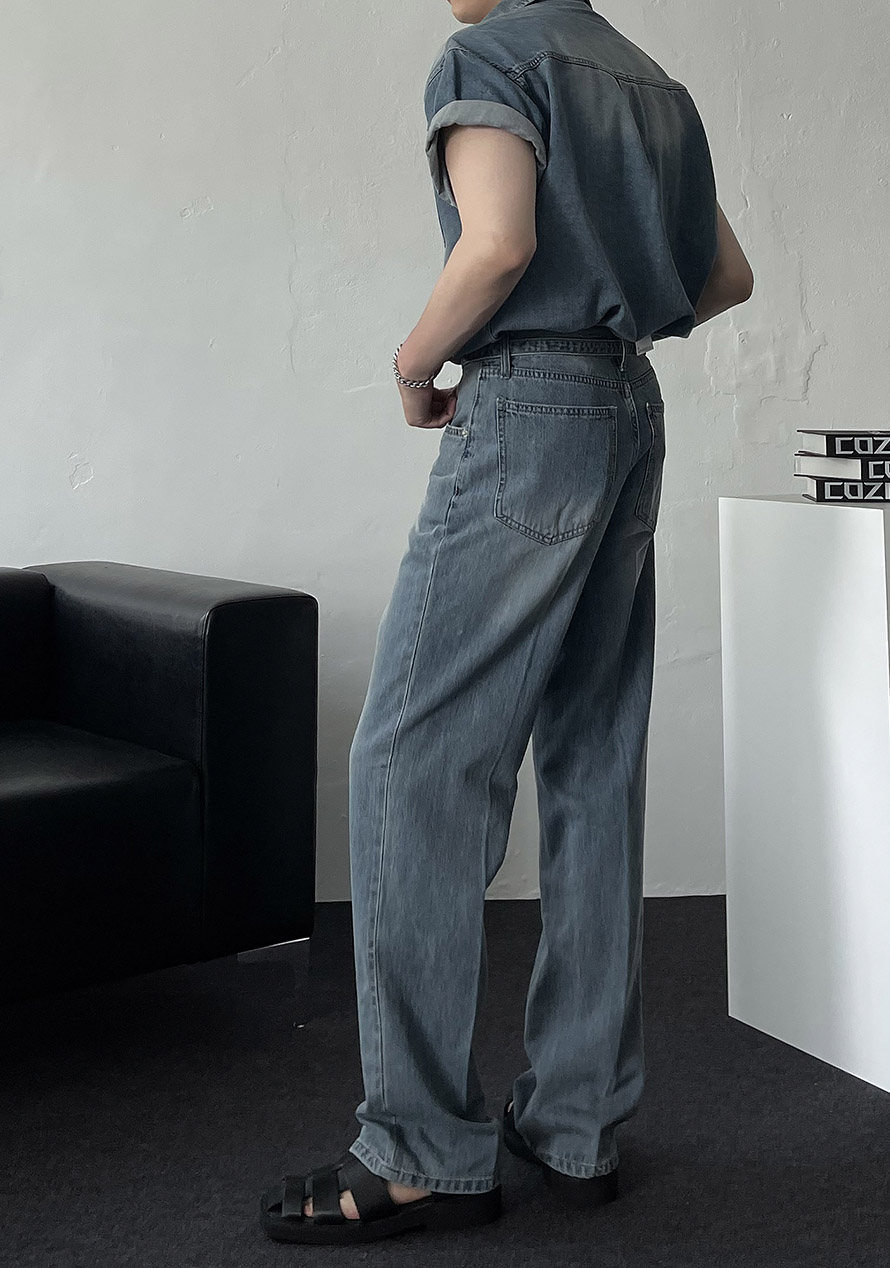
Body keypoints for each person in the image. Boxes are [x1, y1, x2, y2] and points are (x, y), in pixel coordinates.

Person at [260, 0, 753, 1247]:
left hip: (528, 406)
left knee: (409, 761)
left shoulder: (488, 58)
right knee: (592, 757)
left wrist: (413, 364)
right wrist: (616, 310)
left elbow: (496, 245)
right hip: (630, 409)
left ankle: (421, 1150)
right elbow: (726, 278)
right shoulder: (649, 79)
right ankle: (578, 1123)